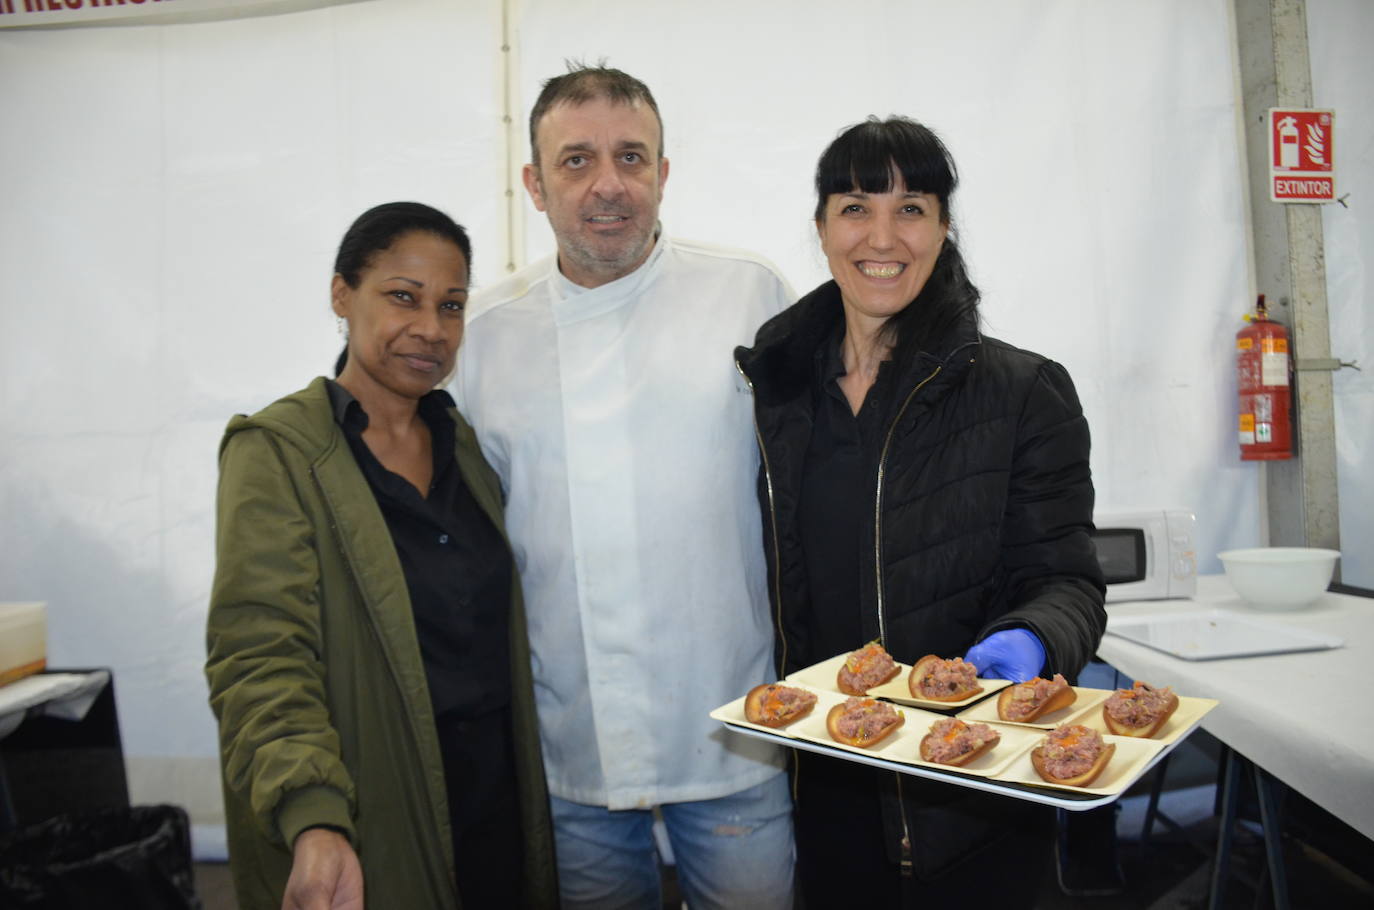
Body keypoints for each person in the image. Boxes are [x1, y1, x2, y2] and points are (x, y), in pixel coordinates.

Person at [733, 117, 1107, 905]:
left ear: (943, 228)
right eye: (856, 206)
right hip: (827, 791)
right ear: (821, 227)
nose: (883, 235)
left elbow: (1069, 580)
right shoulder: (778, 391)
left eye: (911, 208)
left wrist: (1031, 638)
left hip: (975, 795)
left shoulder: (1021, 394)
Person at [453, 65, 795, 910]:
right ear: (533, 185)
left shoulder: (748, 294)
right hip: (570, 740)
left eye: (631, 157)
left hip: (737, 727)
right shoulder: (485, 336)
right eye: (576, 161)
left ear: (664, 173)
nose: (608, 185)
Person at [205, 202, 558, 910]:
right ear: (342, 294)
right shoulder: (281, 453)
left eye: (451, 305)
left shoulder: (464, 445)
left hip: (497, 806)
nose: (430, 328)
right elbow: (257, 655)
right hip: (371, 814)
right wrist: (313, 817)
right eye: (402, 296)